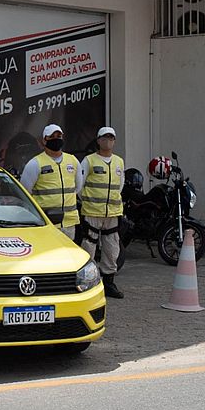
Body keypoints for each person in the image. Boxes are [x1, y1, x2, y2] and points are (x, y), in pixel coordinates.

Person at [78, 126, 125, 298]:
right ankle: (87, 283)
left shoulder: (119, 162)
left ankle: (109, 283)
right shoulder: (89, 161)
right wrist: (89, 201)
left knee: (112, 249)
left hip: (112, 213)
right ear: (98, 140)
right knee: (89, 246)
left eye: (111, 138)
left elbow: (120, 186)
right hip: (92, 212)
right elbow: (79, 186)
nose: (108, 141)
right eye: (104, 138)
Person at [20, 124, 82, 239]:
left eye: (59, 136)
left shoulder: (73, 161)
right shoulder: (35, 163)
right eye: (52, 136)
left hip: (69, 223)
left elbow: (78, 187)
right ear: (44, 140)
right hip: (47, 223)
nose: (56, 139)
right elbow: (25, 192)